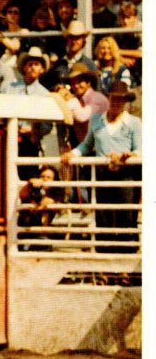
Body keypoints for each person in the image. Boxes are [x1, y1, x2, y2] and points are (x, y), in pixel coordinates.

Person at [60, 81, 141, 253]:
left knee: (125, 218)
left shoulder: (134, 122)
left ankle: (125, 267)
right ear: (109, 98)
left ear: (126, 101)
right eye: (114, 98)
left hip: (126, 176)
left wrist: (127, 155)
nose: (117, 103)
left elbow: (139, 149)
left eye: (121, 99)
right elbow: (87, 145)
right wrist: (72, 154)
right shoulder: (97, 120)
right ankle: (105, 267)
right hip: (103, 175)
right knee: (104, 216)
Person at [1, 47, 53, 178]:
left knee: (28, 176)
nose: (33, 67)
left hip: (30, 142)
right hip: (8, 139)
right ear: (24, 67)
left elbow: (47, 125)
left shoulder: (45, 94)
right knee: (6, 175)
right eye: (30, 64)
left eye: (36, 64)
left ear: (41, 69)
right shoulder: (9, 88)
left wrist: (32, 129)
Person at [42, 20, 98, 91]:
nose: (74, 41)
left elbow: (96, 90)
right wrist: (55, 88)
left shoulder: (89, 65)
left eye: (77, 38)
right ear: (67, 40)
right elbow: (46, 86)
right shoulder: (59, 63)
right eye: (71, 37)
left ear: (83, 41)